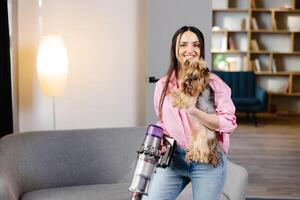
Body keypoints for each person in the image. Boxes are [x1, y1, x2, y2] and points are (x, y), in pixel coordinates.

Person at [134, 26, 237, 200]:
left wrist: (194, 111)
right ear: (175, 49)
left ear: (201, 49)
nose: (190, 50)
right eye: (183, 45)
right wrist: (161, 143)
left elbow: (229, 123)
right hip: (174, 160)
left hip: (207, 161)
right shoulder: (163, 85)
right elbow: (164, 122)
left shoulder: (214, 83)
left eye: (196, 45)